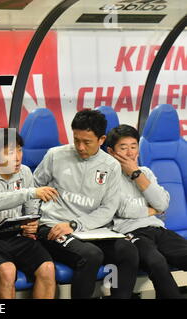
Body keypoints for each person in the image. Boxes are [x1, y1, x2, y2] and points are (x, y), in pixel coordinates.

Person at [33, 109, 139, 299]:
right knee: (91, 255)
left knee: (128, 251)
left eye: (87, 142)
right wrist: (33, 222)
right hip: (53, 227)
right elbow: (34, 188)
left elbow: (108, 208)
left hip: (90, 230)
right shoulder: (55, 155)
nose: (80, 147)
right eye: (76, 140)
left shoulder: (111, 165)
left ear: (101, 139)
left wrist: (75, 225)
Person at [0, 128, 57, 299]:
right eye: (10, 152)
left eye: (19, 149)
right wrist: (30, 192)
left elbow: (31, 211)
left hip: (15, 235)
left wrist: (32, 224)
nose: (17, 157)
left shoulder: (24, 172)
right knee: (8, 271)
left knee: (47, 268)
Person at [106, 124, 187, 299]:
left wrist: (136, 174)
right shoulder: (108, 177)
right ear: (111, 152)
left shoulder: (145, 172)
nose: (129, 153)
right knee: (157, 263)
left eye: (133, 147)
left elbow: (162, 203)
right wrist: (152, 210)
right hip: (131, 233)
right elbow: (124, 210)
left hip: (158, 229)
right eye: (123, 147)